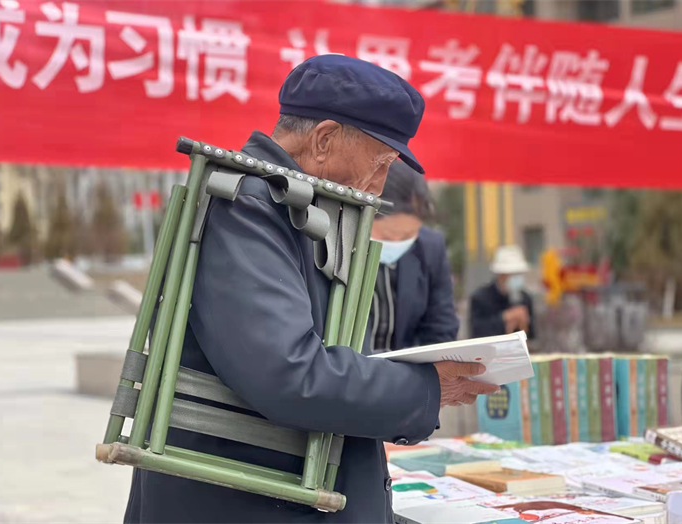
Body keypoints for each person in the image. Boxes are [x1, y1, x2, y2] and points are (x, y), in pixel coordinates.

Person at [125, 55, 499, 524]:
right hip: (243, 506)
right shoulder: (246, 208)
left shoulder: (294, 208)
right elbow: (288, 373)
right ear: (323, 140)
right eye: (381, 163)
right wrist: (424, 389)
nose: (379, 187)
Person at [365, 160, 459, 353]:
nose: (397, 242)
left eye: (407, 236)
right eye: (388, 236)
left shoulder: (430, 248)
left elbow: (441, 327)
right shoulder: (334, 244)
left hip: (408, 366)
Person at [469, 245, 537, 339]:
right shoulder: (480, 298)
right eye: (512, 274)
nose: (516, 278)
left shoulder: (525, 299)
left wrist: (524, 324)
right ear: (500, 275)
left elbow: (532, 334)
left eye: (518, 274)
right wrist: (504, 318)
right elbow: (477, 331)